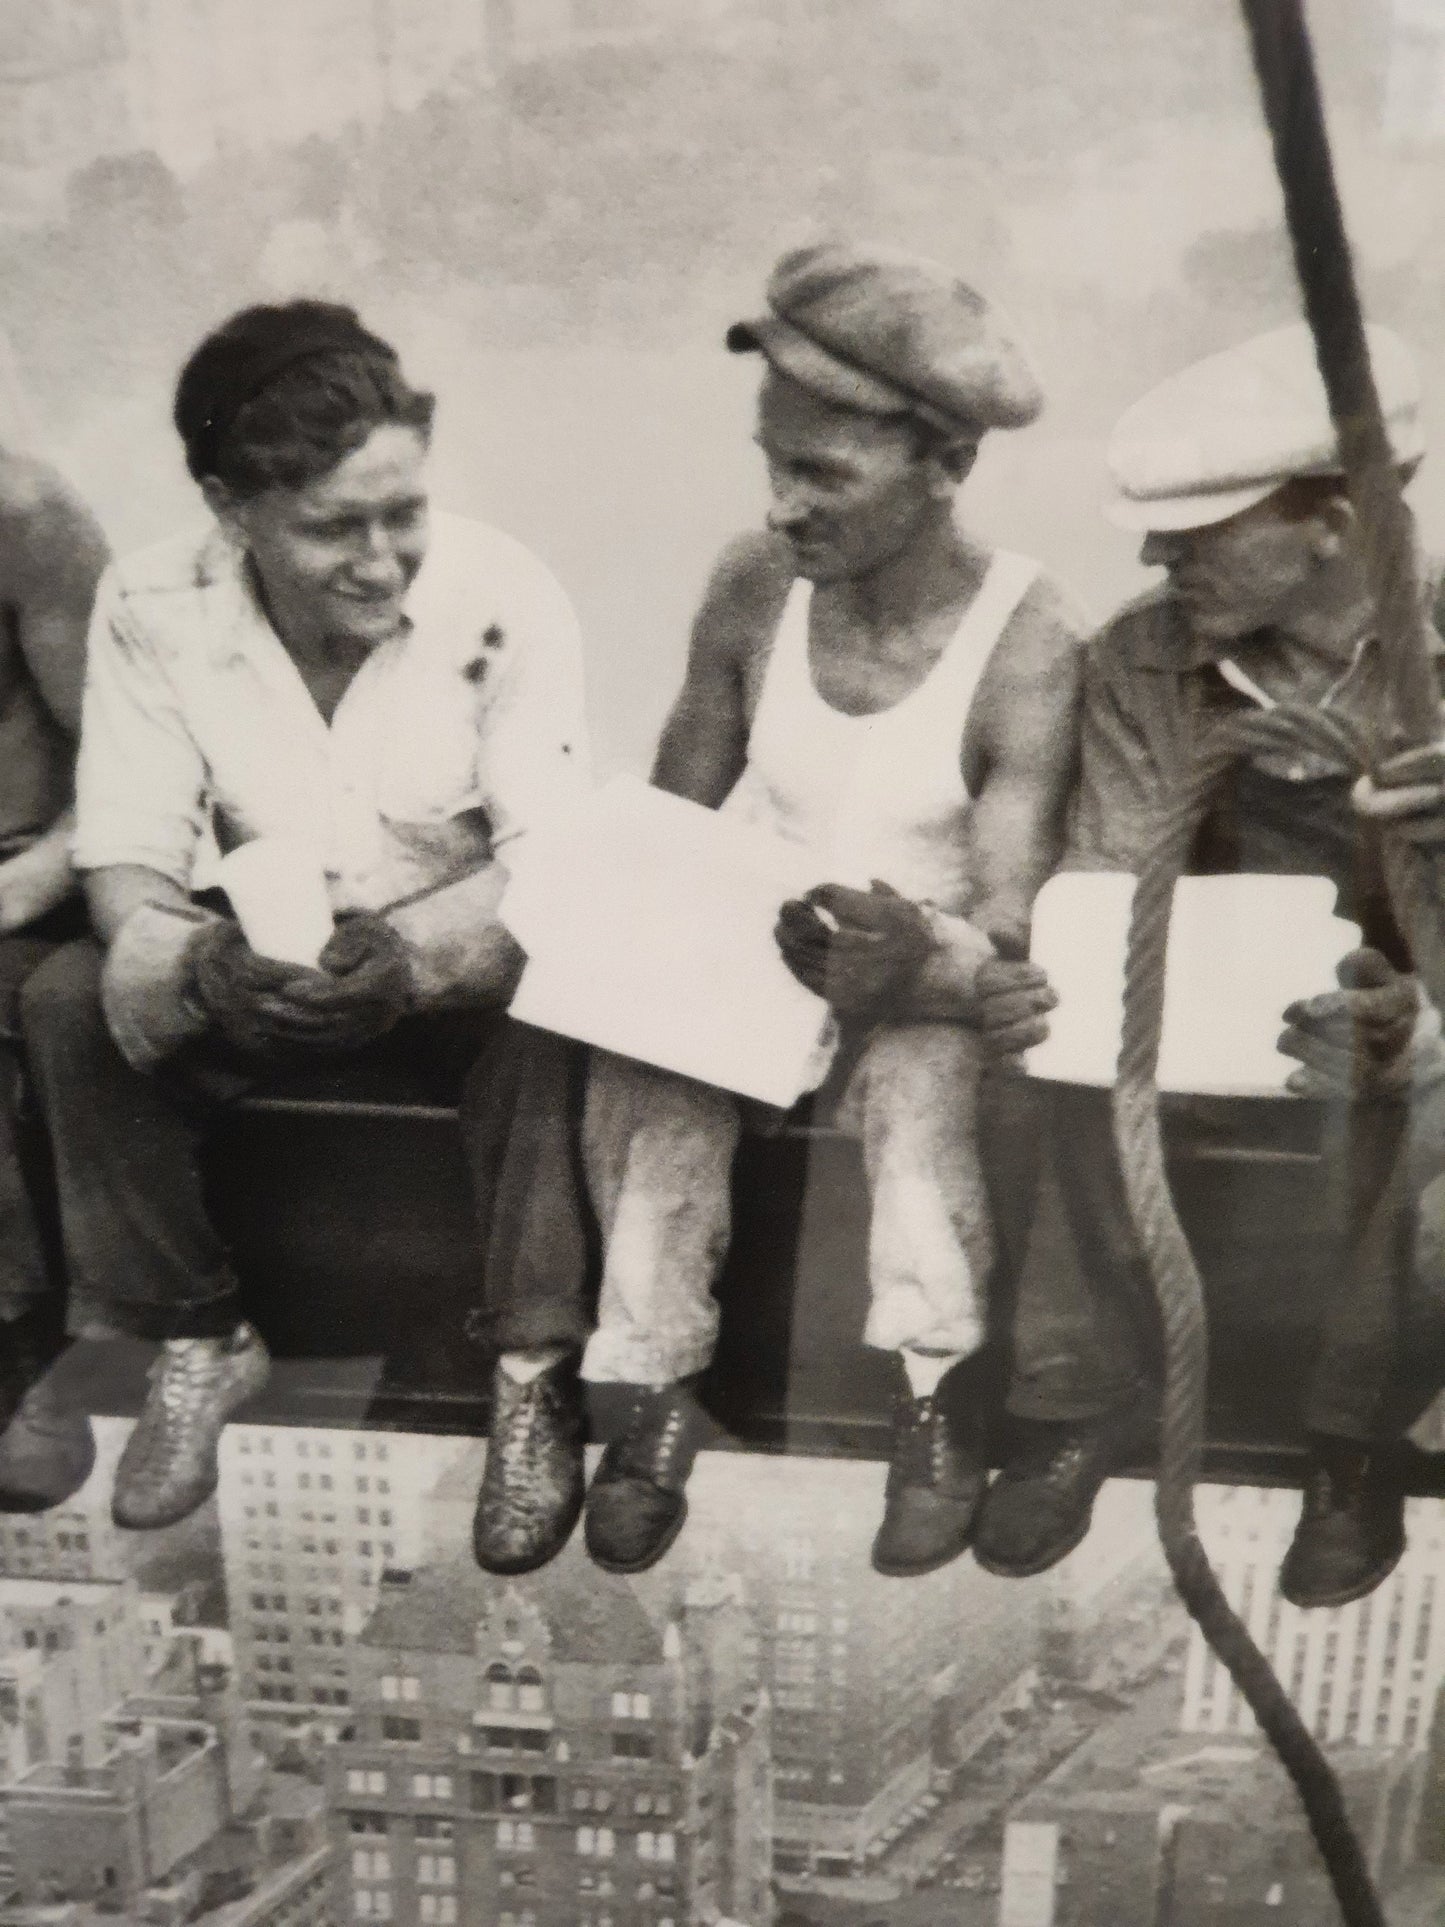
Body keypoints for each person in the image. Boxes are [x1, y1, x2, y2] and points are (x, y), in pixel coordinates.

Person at [471, 242, 1083, 1582]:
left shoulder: (1024, 638)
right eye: (772, 461)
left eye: (824, 476)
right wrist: (608, 920)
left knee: (927, 1095)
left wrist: (920, 958)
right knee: (651, 1076)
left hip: (907, 976)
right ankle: (645, 1396)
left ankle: (933, 1396)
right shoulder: (753, 587)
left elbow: (1009, 906)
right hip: (752, 948)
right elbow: (677, 815)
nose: (783, 506)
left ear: (946, 465)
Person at [19, 300, 588, 1532]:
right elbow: (124, 849)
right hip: (262, 958)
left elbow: (550, 854)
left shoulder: (503, 594)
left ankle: (534, 1375)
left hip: (455, 954)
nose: (382, 560)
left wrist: (415, 960)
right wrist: (200, 960)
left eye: (404, 514)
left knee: (555, 1019)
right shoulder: (151, 602)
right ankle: (197, 1331)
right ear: (231, 511)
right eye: (334, 527)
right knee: (66, 1001)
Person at [970, 320, 1445, 1609]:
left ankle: (1348, 1448)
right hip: (1206, 968)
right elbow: (1115, 875)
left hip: (1415, 999)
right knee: (1062, 1049)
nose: (1152, 554)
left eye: (1199, 527)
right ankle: (1071, 1398)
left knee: (1414, 1114)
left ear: (1335, 524)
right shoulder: (1140, 657)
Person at [0, 443, 108, 1510]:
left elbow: (123, 764)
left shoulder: (25, 511)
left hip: (24, 877)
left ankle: (16, 1326)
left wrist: (18, 888)